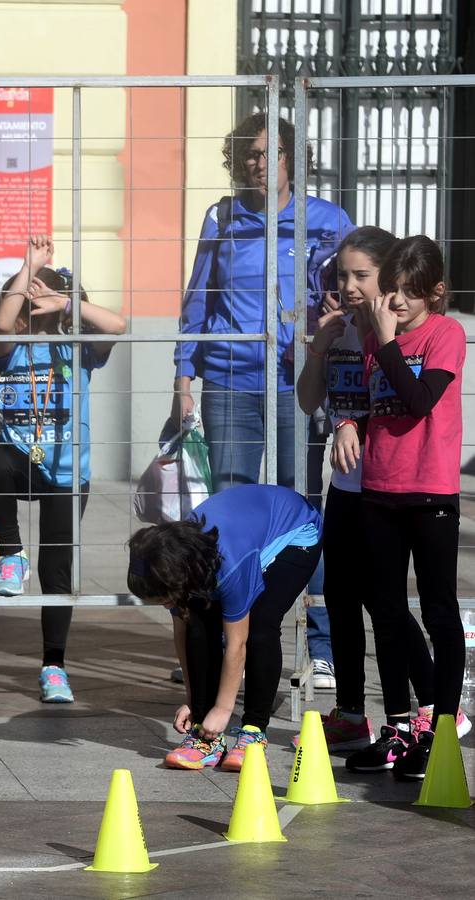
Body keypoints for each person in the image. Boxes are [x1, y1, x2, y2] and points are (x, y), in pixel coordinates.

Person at [171, 112, 350, 685]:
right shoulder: (222, 217)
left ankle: (318, 646)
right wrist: (183, 377)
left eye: (268, 152)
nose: (256, 162)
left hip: (301, 386)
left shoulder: (326, 221)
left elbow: (349, 296)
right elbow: (197, 297)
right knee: (228, 514)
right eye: (247, 154)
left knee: (302, 514)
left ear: (290, 158)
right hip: (229, 383)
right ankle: (220, 635)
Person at [295, 226, 439, 752]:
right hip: (347, 488)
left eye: (362, 275)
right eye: (342, 275)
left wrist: (353, 423)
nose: (350, 285)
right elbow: (310, 401)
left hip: (386, 487)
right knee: (340, 596)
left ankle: (431, 709)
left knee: (387, 604)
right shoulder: (338, 328)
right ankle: (352, 712)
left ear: (389, 276)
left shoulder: (396, 332)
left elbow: (401, 405)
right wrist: (318, 350)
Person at [342, 235, 468, 780]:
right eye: (391, 291)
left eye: (409, 294)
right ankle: (395, 727)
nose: (395, 302)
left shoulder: (447, 335)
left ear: (434, 294)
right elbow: (374, 405)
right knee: (388, 611)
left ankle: (438, 732)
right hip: (380, 490)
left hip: (430, 494)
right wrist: (349, 423)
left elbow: (418, 402)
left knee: (439, 612)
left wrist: (389, 343)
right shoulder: (378, 339)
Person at [0, 237, 124, 703]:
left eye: (45, 296)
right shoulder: (11, 349)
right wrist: (28, 269)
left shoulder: (77, 350)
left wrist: (63, 300)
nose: (35, 303)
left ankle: (54, 668)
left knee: (57, 570)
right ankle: (10, 554)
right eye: (29, 296)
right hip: (22, 462)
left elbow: (118, 325)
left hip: (65, 474)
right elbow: (2, 319)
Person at [129, 484, 322, 771]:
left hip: (294, 532)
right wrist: (196, 703)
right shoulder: (170, 563)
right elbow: (184, 633)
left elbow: (237, 645)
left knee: (259, 624)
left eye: (165, 599)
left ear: (177, 581)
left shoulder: (230, 565)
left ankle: (253, 732)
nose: (165, 605)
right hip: (243, 535)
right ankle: (206, 739)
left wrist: (222, 709)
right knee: (198, 623)